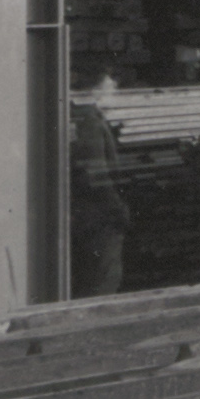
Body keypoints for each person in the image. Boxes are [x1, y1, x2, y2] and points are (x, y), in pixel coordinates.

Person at [70, 73, 129, 296]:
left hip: (91, 215)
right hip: (99, 217)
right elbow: (96, 174)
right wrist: (118, 209)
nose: (114, 89)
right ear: (96, 90)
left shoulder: (86, 117)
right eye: (110, 84)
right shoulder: (89, 122)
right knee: (103, 278)